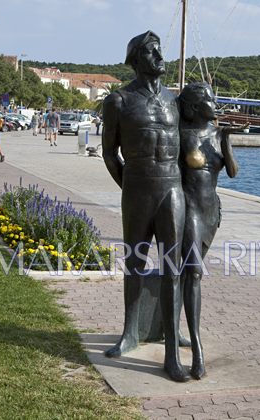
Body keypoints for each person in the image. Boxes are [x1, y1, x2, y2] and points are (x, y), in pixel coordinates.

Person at [102, 31, 188, 382]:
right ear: (137, 59)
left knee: (174, 267)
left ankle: (171, 349)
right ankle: (130, 333)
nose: (160, 57)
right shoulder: (119, 101)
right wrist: (130, 186)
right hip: (137, 187)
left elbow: (193, 146)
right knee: (135, 262)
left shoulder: (176, 100)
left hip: (173, 190)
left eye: (160, 51)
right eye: (153, 52)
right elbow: (110, 154)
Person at [177, 82, 246, 379]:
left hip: (211, 212)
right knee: (193, 272)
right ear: (193, 106)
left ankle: (170, 328)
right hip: (188, 209)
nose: (214, 103)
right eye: (208, 99)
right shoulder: (181, 134)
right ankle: (197, 349)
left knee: (186, 274)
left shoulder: (218, 134)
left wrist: (227, 138)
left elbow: (232, 172)